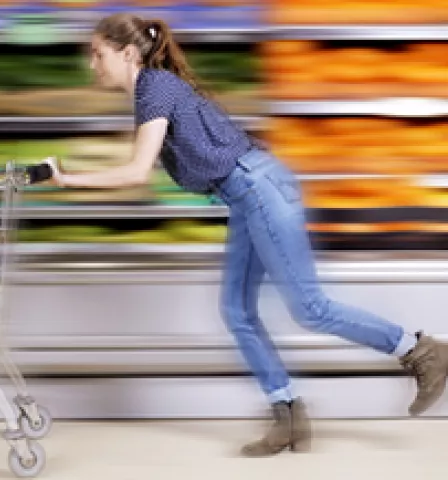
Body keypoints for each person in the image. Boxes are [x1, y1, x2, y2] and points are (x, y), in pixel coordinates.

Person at [38, 12, 448, 456]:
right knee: (236, 310)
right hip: (246, 195)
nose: (92, 65)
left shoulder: (153, 86)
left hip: (260, 188)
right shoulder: (151, 89)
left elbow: (137, 171)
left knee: (309, 308)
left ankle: (420, 350)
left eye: (97, 54)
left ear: (128, 53)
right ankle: (287, 412)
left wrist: (67, 179)